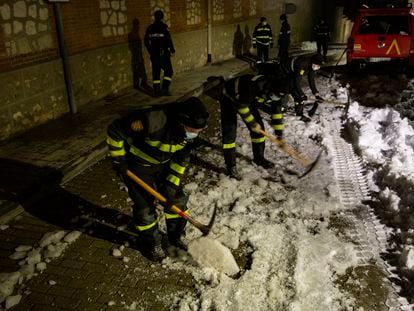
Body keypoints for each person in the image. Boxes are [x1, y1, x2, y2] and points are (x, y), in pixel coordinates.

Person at [106, 97, 209, 262]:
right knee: (144, 207)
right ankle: (151, 242)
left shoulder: (190, 136)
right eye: (192, 129)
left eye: (198, 131)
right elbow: (115, 131)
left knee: (176, 199)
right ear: (180, 122)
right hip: (137, 165)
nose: (195, 134)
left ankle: (175, 236)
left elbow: (181, 159)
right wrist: (119, 160)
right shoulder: (152, 120)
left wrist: (170, 185)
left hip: (164, 164)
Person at [219, 67, 289, 179]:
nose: (275, 98)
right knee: (230, 133)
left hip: (248, 100)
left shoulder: (279, 95)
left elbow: (276, 114)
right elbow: (242, 107)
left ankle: (259, 158)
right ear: (270, 88)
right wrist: (252, 122)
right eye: (274, 95)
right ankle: (231, 166)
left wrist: (279, 134)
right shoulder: (255, 85)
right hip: (230, 97)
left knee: (260, 131)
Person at [281, 53, 325, 122]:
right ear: (313, 63)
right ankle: (283, 108)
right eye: (318, 65)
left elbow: (311, 80)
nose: (318, 67)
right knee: (288, 89)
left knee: (297, 93)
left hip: (292, 73)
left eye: (320, 66)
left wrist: (316, 94)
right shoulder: (302, 65)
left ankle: (298, 111)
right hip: (284, 71)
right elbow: (296, 82)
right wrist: (301, 94)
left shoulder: (311, 66)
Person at [144, 10, 175, 97]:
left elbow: (146, 41)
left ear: (154, 17)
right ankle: (165, 89)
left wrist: (150, 51)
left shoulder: (149, 28)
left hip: (154, 54)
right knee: (169, 71)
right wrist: (172, 50)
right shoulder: (164, 28)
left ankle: (157, 92)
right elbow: (168, 40)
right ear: (162, 17)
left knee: (156, 73)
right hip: (163, 54)